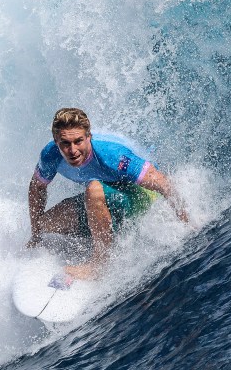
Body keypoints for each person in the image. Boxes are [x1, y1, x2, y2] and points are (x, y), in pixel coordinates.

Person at [26, 107, 189, 279]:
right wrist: (35, 235)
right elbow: (37, 188)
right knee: (46, 223)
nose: (72, 150)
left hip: (141, 196)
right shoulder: (50, 155)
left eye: (78, 141)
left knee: (94, 189)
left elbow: (163, 183)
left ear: (89, 137)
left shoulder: (112, 155)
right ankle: (107, 234)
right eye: (65, 143)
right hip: (107, 197)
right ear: (56, 141)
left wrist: (186, 222)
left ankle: (99, 264)